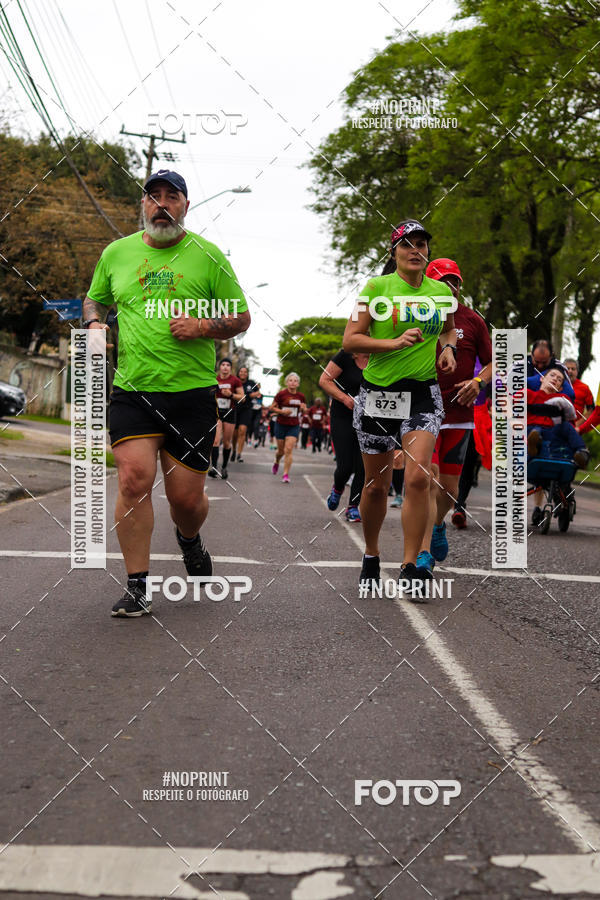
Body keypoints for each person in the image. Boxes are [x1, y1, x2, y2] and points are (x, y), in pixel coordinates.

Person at [83, 169, 250, 616]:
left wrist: (201, 326)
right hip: (133, 391)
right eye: (152, 196)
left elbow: (240, 318)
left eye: (170, 197)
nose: (161, 204)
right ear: (142, 205)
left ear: (185, 206)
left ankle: (189, 540)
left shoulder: (208, 256)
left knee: (186, 501)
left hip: (191, 395)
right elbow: (95, 298)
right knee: (133, 481)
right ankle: (137, 585)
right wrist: (94, 323)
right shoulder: (117, 254)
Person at [343, 219, 457, 593]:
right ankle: (372, 553)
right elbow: (350, 340)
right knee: (375, 487)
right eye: (406, 244)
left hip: (421, 394)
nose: (414, 250)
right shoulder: (377, 288)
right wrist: (393, 344)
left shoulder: (440, 291)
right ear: (393, 252)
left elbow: (449, 327)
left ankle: (411, 566)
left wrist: (449, 349)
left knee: (419, 477)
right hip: (378, 393)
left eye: (421, 243)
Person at [421, 258, 492, 565]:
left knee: (449, 488)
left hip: (459, 414)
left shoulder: (473, 320)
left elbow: (493, 363)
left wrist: (478, 382)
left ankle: (438, 526)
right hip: (423, 410)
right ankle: (422, 553)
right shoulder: (417, 315)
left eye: (455, 281)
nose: (451, 286)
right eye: (443, 280)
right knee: (427, 478)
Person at [319, 349, 369, 522]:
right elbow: (324, 380)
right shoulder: (346, 355)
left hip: (369, 419)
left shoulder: (382, 355)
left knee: (363, 467)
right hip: (343, 416)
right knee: (345, 466)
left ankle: (353, 507)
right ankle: (337, 489)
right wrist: (344, 398)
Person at [527, 368, 590, 467]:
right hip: (529, 429)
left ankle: (581, 452)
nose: (555, 379)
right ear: (542, 379)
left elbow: (570, 421)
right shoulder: (528, 394)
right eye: (552, 375)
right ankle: (533, 445)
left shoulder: (563, 400)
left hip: (552, 432)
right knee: (535, 431)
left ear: (560, 388)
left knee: (566, 426)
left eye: (559, 379)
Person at [209, 358, 243, 480]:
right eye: (223, 364)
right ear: (219, 367)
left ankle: (224, 467)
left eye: (228, 365)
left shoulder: (235, 380)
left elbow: (242, 398)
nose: (225, 367)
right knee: (216, 440)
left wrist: (231, 395)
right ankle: (214, 468)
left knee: (227, 442)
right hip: (216, 413)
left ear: (230, 368)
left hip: (230, 412)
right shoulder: (214, 379)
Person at [270, 373, 307, 483]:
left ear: (298, 384)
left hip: (294, 425)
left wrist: (303, 409)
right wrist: (282, 411)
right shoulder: (281, 394)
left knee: (288, 449)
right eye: (290, 380)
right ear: (287, 382)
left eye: (295, 381)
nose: (293, 382)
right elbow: (272, 407)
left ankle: (285, 474)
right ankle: (276, 461)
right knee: (280, 451)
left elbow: (303, 410)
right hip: (281, 424)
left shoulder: (301, 396)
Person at [234, 366, 262, 461]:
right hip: (234, 409)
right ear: (238, 372)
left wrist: (252, 394)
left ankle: (239, 454)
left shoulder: (251, 383)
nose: (243, 373)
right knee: (235, 433)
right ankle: (233, 450)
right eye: (241, 371)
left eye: (245, 372)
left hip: (246, 409)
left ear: (247, 373)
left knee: (242, 431)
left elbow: (258, 392)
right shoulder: (234, 381)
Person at [563, 358, 595, 423]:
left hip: (575, 427)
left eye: (573, 369)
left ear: (577, 371)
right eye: (567, 368)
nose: (570, 371)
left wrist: (578, 424)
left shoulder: (584, 388)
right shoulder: (555, 384)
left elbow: (591, 410)